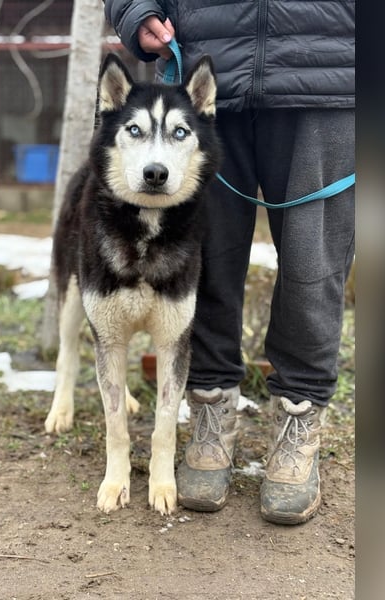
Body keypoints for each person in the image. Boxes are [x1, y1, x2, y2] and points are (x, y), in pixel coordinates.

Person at [104, 0, 355, 524]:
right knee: (205, 262)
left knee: (315, 264)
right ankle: (211, 406)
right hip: (209, 73)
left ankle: (300, 415)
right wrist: (135, 9)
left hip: (329, 71)